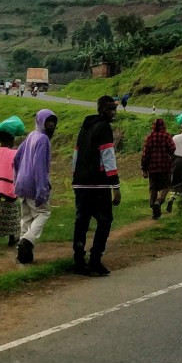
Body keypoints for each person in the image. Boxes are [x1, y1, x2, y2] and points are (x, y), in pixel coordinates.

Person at [72, 96, 121, 276]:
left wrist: (75, 177)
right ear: (102, 110)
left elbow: (76, 155)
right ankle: (95, 260)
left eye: (114, 109)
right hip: (98, 184)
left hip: (80, 183)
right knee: (104, 221)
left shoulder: (85, 127)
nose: (113, 113)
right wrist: (115, 186)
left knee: (81, 221)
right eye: (110, 109)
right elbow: (108, 157)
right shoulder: (104, 128)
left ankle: (78, 260)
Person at [13, 109, 56, 262]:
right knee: (43, 213)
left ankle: (22, 254)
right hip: (33, 184)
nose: (51, 124)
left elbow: (16, 158)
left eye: (53, 121)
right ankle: (27, 241)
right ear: (41, 121)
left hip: (21, 184)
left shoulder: (31, 135)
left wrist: (16, 179)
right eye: (48, 121)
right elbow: (40, 168)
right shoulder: (43, 139)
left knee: (26, 218)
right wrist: (42, 190)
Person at [141, 118, 176, 219]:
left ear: (153, 126)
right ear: (164, 126)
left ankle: (154, 208)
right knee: (166, 186)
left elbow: (145, 154)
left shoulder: (149, 137)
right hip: (165, 167)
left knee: (153, 188)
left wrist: (144, 169)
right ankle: (159, 202)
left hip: (152, 168)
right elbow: (173, 149)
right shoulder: (166, 136)